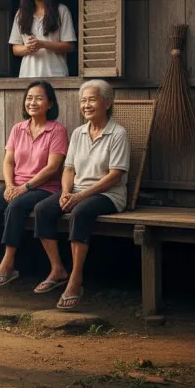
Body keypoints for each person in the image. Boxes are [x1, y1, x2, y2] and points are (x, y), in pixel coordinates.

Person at [33, 80, 129, 309]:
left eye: (92, 100)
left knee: (80, 213)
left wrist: (80, 196)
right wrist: (66, 192)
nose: (86, 105)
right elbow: (68, 169)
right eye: (83, 101)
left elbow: (115, 175)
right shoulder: (78, 132)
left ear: (107, 103)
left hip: (108, 194)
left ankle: (76, 279)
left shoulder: (118, 133)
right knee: (42, 209)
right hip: (75, 191)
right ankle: (57, 269)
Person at [0, 81, 68, 286]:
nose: (32, 102)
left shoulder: (57, 131)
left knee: (15, 207)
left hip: (44, 188)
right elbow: (8, 161)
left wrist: (23, 188)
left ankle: (8, 263)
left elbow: (53, 167)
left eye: (39, 98)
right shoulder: (18, 128)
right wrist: (9, 186)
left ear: (50, 104)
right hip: (15, 185)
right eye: (29, 98)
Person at [9, 0, 77, 78]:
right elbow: (15, 49)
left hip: (56, 76)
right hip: (27, 76)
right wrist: (27, 48)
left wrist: (43, 44)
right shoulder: (21, 14)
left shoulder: (61, 11)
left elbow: (69, 46)